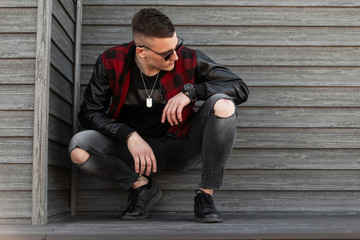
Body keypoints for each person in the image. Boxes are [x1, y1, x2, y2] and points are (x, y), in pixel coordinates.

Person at [68, 8, 249, 223]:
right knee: (78, 148)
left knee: (224, 104)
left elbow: (238, 87)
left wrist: (192, 92)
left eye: (176, 46)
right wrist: (128, 135)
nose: (175, 56)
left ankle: (205, 195)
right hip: (132, 153)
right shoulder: (111, 61)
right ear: (141, 51)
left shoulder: (188, 58)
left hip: (179, 146)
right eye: (166, 54)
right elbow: (89, 112)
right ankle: (141, 186)